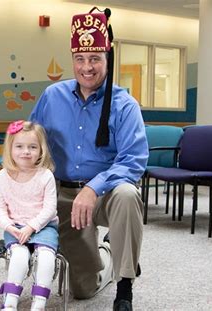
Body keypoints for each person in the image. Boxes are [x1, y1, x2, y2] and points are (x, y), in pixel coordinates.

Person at [29, 7, 148, 311]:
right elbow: (29, 146)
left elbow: (134, 160)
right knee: (82, 290)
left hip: (105, 195)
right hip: (63, 195)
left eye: (95, 58)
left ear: (107, 59)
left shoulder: (125, 105)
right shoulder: (52, 96)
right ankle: (108, 252)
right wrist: (11, 183)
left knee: (128, 194)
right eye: (80, 59)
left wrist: (93, 188)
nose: (87, 67)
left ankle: (124, 287)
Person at [0, 120, 58, 311]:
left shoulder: (45, 175)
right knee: (19, 256)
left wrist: (32, 227)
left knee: (46, 257)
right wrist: (8, 227)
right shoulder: (3, 176)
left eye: (32, 147)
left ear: (41, 150)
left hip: (43, 226)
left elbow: (50, 208)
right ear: (10, 149)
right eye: (19, 146)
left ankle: (39, 302)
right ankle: (10, 300)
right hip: (15, 227)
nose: (26, 151)